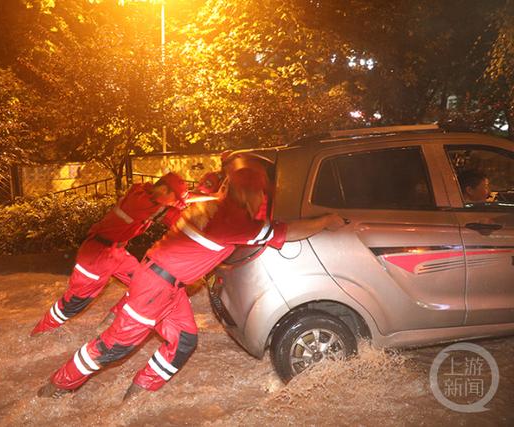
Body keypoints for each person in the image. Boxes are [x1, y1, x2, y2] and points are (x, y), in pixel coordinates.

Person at [36, 164, 346, 399]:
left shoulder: (210, 206)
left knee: (183, 342)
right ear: (251, 194)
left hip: (166, 285)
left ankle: (139, 395)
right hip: (155, 288)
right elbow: (285, 231)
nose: (260, 200)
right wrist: (325, 221)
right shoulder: (231, 220)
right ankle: (55, 387)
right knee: (112, 348)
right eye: (259, 194)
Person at [30, 172, 188, 336]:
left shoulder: (146, 194)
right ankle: (40, 333)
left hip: (116, 252)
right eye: (175, 199)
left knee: (144, 282)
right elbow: (171, 216)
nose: (176, 203)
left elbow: (172, 210)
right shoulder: (142, 202)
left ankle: (110, 321)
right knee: (74, 303)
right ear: (163, 190)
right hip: (96, 255)